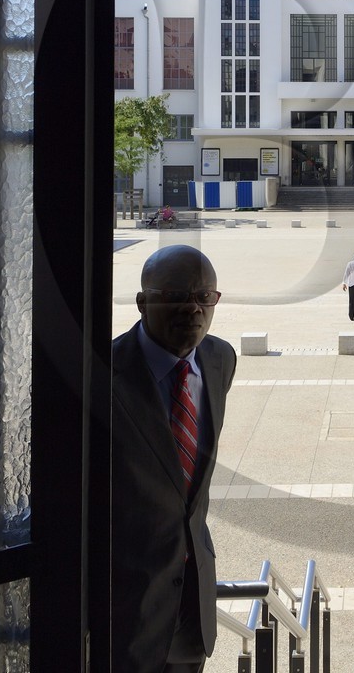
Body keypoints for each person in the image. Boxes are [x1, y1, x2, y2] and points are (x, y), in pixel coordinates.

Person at [111, 244, 237, 672]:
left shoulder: (220, 360)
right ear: (143, 303)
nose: (192, 308)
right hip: (122, 616)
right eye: (175, 296)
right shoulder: (102, 373)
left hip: (190, 616)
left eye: (204, 297)